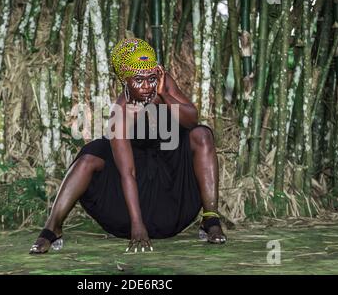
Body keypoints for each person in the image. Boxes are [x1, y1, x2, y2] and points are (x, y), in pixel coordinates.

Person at [29, 38, 226, 254]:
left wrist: (164, 94)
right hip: (133, 184)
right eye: (138, 80)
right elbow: (128, 173)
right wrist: (137, 225)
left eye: (151, 78)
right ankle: (52, 227)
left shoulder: (162, 83)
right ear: (125, 80)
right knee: (89, 155)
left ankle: (210, 220)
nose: (147, 85)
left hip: (170, 176)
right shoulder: (120, 111)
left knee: (202, 134)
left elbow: (191, 120)